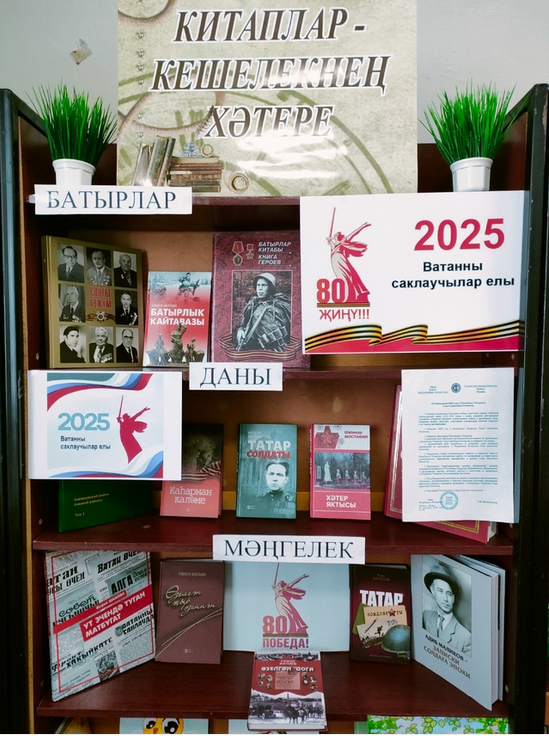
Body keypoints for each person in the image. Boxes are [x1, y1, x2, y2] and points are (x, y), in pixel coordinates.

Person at [423, 563, 472, 655]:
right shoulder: (425, 616)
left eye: (449, 593)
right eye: (440, 591)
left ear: (453, 598)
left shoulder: (466, 637)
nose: (445, 599)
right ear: (433, 590)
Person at [235, 272, 291, 352]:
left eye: (264, 285)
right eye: (258, 285)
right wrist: (240, 330)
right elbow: (243, 324)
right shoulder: (252, 305)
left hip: (278, 350)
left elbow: (291, 328)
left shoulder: (281, 305)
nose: (260, 288)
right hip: (255, 348)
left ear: (270, 287)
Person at [327, 219, 371, 303]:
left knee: (348, 275)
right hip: (335, 261)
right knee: (341, 277)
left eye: (337, 234)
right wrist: (329, 240)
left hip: (341, 259)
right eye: (335, 235)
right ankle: (346, 296)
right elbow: (330, 244)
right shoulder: (333, 244)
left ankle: (353, 294)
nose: (336, 235)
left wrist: (362, 226)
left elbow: (353, 233)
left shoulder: (343, 241)